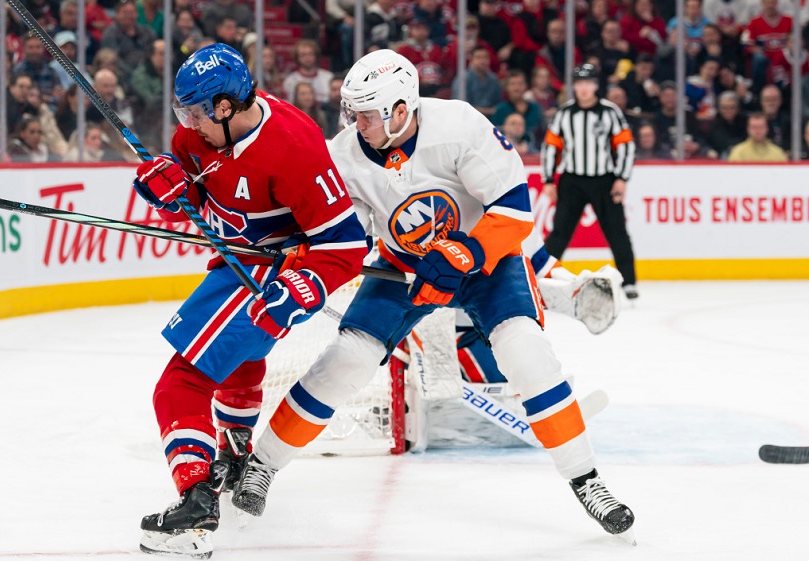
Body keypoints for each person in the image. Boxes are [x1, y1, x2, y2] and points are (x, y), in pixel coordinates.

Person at [231, 49, 636, 542]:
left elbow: (513, 209)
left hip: (486, 262)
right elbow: (345, 234)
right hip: (403, 268)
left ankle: (587, 480)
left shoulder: (459, 125)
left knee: (527, 353)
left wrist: (466, 254)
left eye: (366, 114)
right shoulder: (344, 155)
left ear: (401, 109)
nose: (355, 124)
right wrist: (298, 247)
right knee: (345, 361)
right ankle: (262, 465)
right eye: (351, 112)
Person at [130, 43, 366, 557]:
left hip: (272, 276)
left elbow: (346, 245)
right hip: (236, 263)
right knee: (240, 360)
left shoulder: (294, 146)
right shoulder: (197, 135)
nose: (187, 125)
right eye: (182, 113)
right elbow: (195, 198)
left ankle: (195, 505)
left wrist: (304, 286)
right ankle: (234, 458)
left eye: (196, 113)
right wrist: (170, 189)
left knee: (180, 384)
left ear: (225, 106)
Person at [541, 64, 639, 300]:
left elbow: (626, 146)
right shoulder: (564, 113)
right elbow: (551, 147)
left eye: (588, 83)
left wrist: (622, 178)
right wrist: (548, 179)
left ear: (595, 85)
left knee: (617, 231)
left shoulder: (610, 112)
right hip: (572, 181)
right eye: (579, 83)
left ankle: (628, 282)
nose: (583, 88)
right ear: (574, 86)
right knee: (559, 232)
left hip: (604, 181)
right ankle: (541, 279)